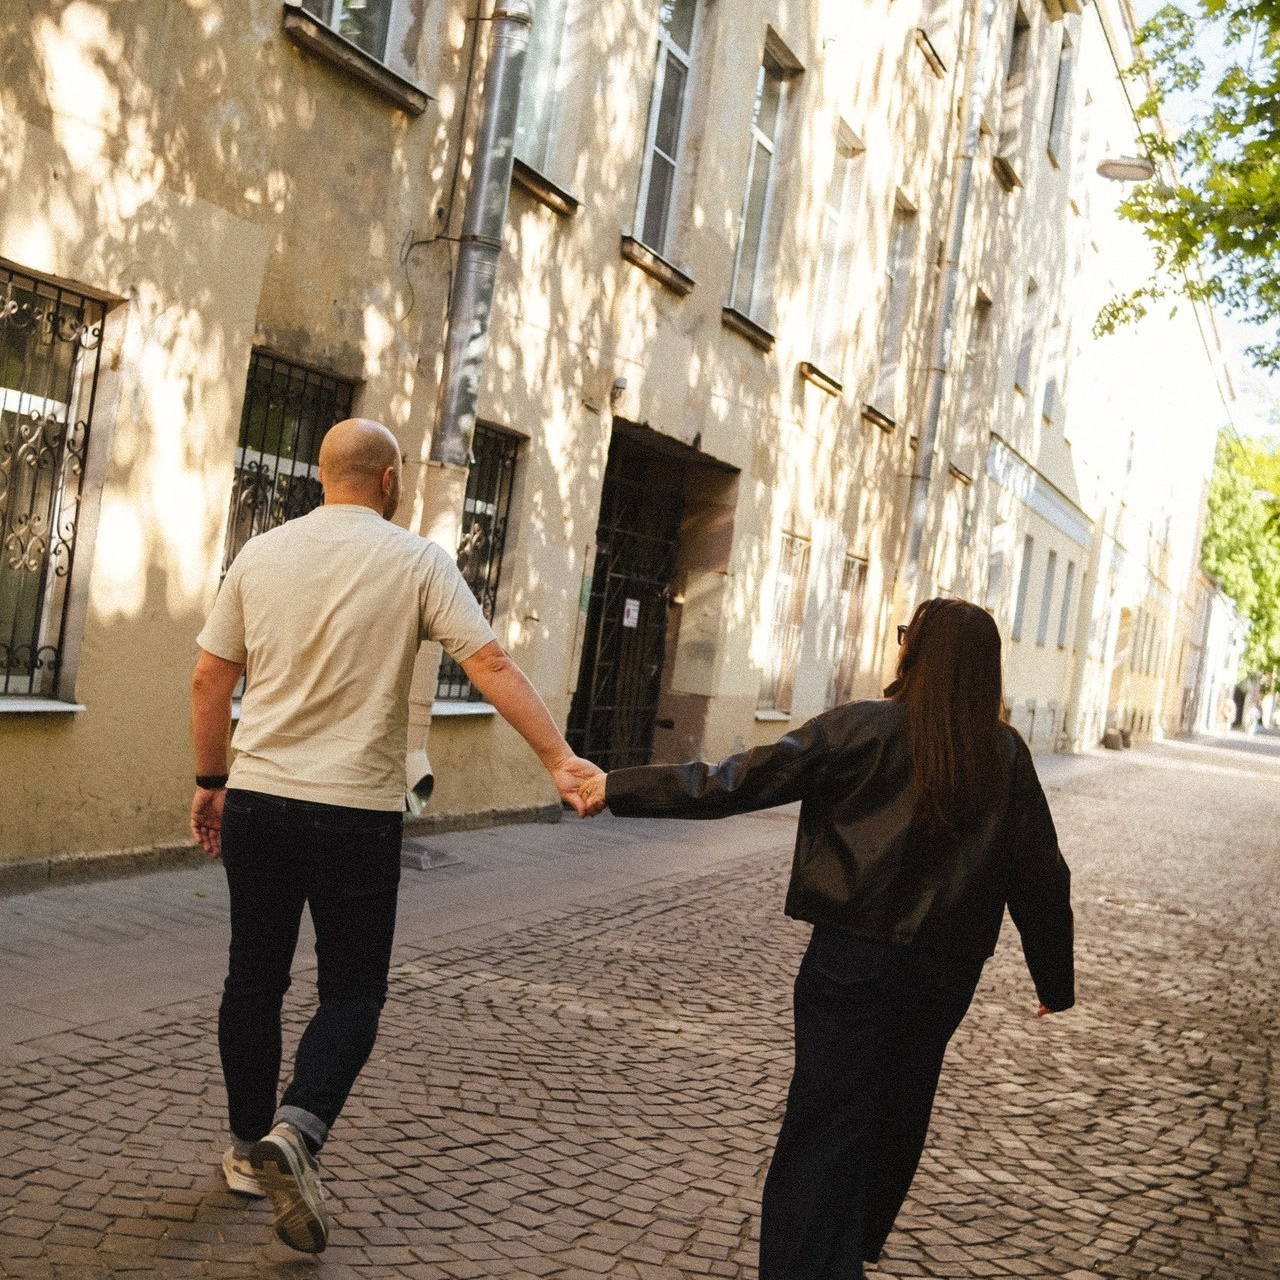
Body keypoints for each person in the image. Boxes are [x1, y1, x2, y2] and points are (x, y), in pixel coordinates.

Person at [190, 418, 603, 1254]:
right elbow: (490, 664)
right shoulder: (417, 560)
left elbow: (209, 678)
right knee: (351, 992)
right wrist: (558, 759)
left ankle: (246, 1150)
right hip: (356, 810)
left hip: (261, 800)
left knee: (253, 979)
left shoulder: (259, 555)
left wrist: (210, 781)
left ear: (321, 475)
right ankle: (297, 1130)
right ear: (389, 480)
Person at [581, 597, 1074, 1279]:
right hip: (943, 974)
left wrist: (616, 787)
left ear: (915, 653)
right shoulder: (1005, 755)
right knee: (898, 1116)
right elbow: (1042, 873)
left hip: (852, 959)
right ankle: (841, 1255)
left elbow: (737, 780)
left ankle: (810, 1264)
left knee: (824, 1120)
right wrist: (1054, 980)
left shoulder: (860, 729)